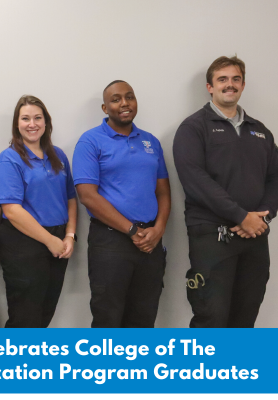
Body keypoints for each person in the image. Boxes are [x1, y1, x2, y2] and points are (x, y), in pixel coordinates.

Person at [173, 56, 278, 328]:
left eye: (235, 79)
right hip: (212, 236)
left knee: (245, 317)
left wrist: (260, 219)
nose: (229, 85)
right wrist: (240, 215)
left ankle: (237, 370)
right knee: (212, 316)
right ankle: (205, 371)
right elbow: (195, 180)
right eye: (222, 79)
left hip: (254, 236)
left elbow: (275, 179)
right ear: (210, 86)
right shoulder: (193, 128)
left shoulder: (261, 132)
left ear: (243, 85)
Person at [73, 80, 171, 328]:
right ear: (105, 108)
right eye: (116, 99)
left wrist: (158, 230)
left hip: (150, 241)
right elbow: (87, 196)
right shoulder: (90, 141)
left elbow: (163, 192)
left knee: (144, 317)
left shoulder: (151, 142)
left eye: (130, 97)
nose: (124, 103)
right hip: (111, 241)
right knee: (108, 318)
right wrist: (131, 230)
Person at [0, 95, 77, 328]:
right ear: (16, 124)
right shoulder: (9, 159)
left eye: (37, 118)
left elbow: (70, 198)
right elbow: (11, 210)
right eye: (25, 118)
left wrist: (69, 236)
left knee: (45, 315)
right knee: (25, 318)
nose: (32, 124)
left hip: (58, 242)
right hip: (25, 244)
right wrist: (50, 241)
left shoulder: (58, 155)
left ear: (46, 122)